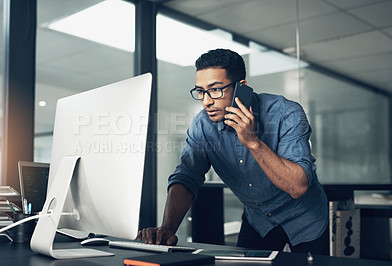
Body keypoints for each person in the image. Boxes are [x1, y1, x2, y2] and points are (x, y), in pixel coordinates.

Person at [137, 48, 329, 255]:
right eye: (200, 91)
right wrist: (167, 229)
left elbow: (298, 186)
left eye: (215, 89)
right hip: (259, 220)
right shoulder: (202, 125)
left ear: (241, 87)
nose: (206, 101)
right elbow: (187, 176)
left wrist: (253, 142)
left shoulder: (286, 113)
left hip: (306, 218)